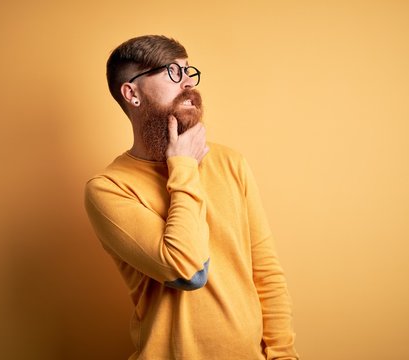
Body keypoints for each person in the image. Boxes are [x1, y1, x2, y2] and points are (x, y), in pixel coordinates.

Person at [84, 35, 299, 360]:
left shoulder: (230, 162)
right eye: (171, 72)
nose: (187, 83)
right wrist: (183, 166)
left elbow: (265, 270)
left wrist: (283, 355)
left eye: (188, 71)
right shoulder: (109, 188)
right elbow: (187, 271)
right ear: (132, 93)